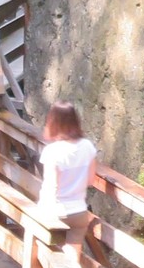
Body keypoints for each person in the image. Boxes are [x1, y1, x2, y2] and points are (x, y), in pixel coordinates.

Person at [36, 101, 98, 246]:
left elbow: (52, 186)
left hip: (56, 213)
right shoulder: (87, 146)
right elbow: (90, 180)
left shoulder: (52, 151)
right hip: (79, 212)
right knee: (72, 261)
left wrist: (42, 211)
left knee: (46, 256)